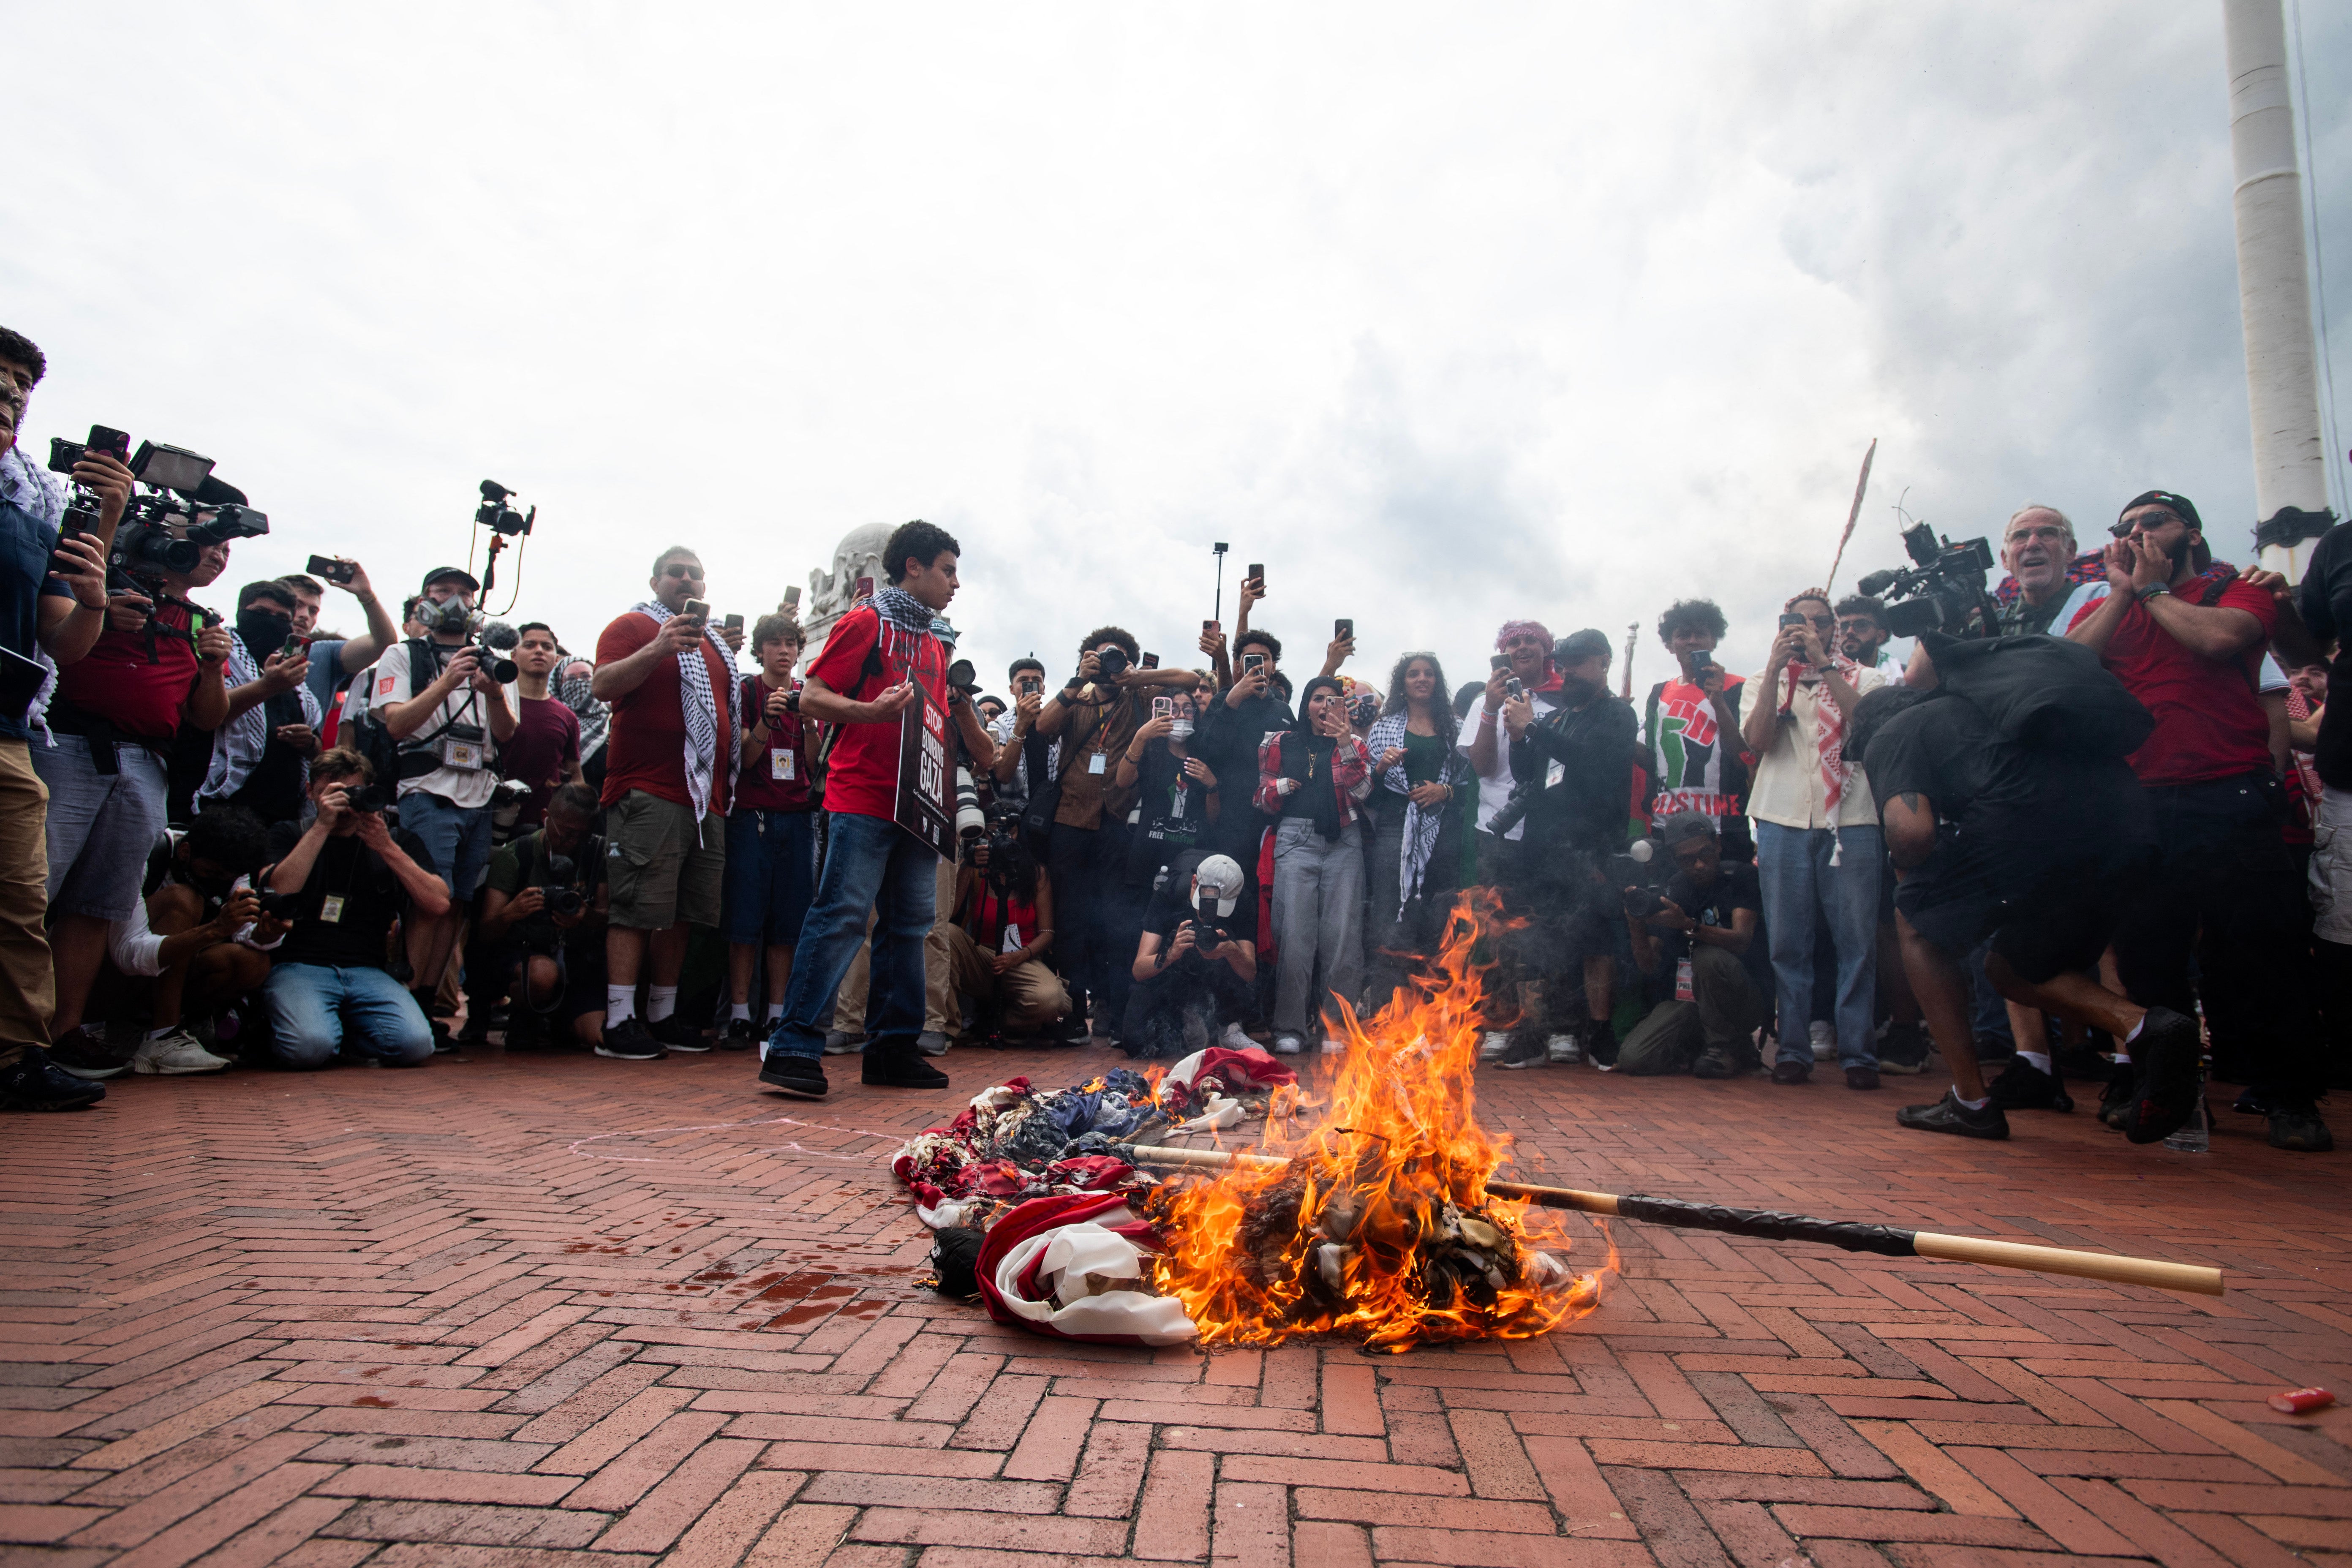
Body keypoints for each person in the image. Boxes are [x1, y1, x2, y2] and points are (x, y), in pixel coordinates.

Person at [2065, 491, 2331, 1151]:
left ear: (2191, 531)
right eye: (2125, 527)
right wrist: (2127, 594)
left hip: (2228, 794)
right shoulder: (2110, 606)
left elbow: (2219, 641)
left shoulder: (2238, 592)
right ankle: (2168, 1095)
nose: (2137, 533)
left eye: (2153, 522)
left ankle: (2288, 1097)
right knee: (2149, 958)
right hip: (2141, 801)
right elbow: (2068, 667)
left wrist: (2153, 593)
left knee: (2259, 954)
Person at [1843, 678, 2202, 1142]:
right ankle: (2147, 1027)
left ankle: (1971, 1103)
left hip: (2032, 823)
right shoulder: (1987, 705)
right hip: (2128, 821)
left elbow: (1910, 833)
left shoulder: (1893, 732)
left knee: (1914, 922)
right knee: (2013, 968)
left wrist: (1908, 876)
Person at [760, 520, 992, 1097]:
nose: (956, 583)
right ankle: (792, 1047)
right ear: (912, 566)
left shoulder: (937, 640)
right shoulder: (866, 622)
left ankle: (892, 1048)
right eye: (947, 570)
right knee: (841, 916)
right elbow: (810, 696)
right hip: (863, 796)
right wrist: (871, 713)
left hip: (920, 803)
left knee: (910, 926)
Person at [37, 518, 235, 1066]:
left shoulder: (200, 621)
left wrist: (215, 666)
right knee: (32, 891)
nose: (219, 556)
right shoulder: (94, 579)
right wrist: (98, 613)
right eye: (209, 544)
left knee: (96, 904)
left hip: (148, 763)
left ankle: (64, 1030)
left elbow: (206, 718)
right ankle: (17, 1030)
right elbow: (54, 646)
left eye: (226, 551)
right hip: (69, 746)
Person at [0, 325, 128, 1110]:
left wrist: (96, 588)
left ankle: (15, 1054)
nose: (12, 391)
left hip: (10, 733)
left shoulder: (30, 512)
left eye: (21, 382)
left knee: (18, 900)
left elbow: (67, 643)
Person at [592, 547, 740, 1059]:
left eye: (695, 574)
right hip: (650, 789)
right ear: (655, 580)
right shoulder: (632, 626)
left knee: (682, 912)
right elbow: (602, 686)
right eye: (675, 573)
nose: (686, 579)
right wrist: (658, 647)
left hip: (706, 799)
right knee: (636, 908)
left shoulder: (715, 644)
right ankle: (619, 1019)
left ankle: (661, 1012)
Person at [1739, 588, 1886, 1089]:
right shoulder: (1765, 681)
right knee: (1788, 943)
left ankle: (1859, 1055)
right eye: (1795, 621)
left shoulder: (1867, 678)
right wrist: (1777, 673)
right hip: (1782, 819)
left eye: (1819, 622)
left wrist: (1825, 667)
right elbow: (1756, 742)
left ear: (1835, 628)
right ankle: (1794, 1050)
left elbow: (1867, 726)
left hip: (1853, 818)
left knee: (1857, 943)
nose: (1807, 629)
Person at [370, 566, 517, 1044]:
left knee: (456, 904)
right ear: (424, 603)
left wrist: (492, 688)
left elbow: (507, 732)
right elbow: (396, 725)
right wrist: (448, 680)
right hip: (429, 787)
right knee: (428, 900)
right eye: (443, 593)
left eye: (464, 594)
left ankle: (427, 1000)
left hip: (479, 792)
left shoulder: (495, 661)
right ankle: (405, 1003)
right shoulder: (402, 655)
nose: (455, 602)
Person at [1494, 629, 1637, 1070]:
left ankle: (1599, 1033)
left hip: (1593, 846)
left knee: (1595, 945)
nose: (1568, 669)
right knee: (1538, 942)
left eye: (1579, 660)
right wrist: (1519, 736)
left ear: (1605, 662)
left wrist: (1533, 726)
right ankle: (1538, 1032)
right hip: (1544, 846)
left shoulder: (1616, 714)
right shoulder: (1556, 720)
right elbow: (1526, 775)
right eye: (1565, 661)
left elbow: (1596, 766)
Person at [259, 749, 449, 1068]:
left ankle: (341, 1031)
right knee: (308, 1049)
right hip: (299, 965)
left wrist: (386, 847)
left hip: (368, 970)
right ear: (310, 792)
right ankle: (316, 1029)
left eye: (351, 792)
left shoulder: (393, 838)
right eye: (331, 793)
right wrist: (321, 827)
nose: (344, 803)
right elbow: (277, 890)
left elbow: (439, 903)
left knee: (415, 1046)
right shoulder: (289, 833)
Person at [1032, 628, 1153, 1045]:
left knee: (1117, 921)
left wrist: (1135, 679)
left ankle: (1114, 1010)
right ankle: (1072, 1011)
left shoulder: (1136, 699)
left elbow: (1188, 684)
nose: (1107, 665)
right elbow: (1044, 725)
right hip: (1070, 820)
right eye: (1100, 658)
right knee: (1071, 920)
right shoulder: (1077, 698)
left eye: (1115, 658)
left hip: (1116, 820)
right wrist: (1074, 680)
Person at [1462, 619, 1570, 1060]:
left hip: (1552, 833)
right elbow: (1483, 766)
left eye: (1531, 642)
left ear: (1547, 651)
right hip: (1498, 830)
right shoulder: (1482, 701)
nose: (1522, 647)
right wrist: (1490, 707)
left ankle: (1557, 1028)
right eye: (1513, 643)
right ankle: (1507, 1023)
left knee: (1553, 933)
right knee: (1502, 935)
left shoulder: (1567, 699)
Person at [1258, 674, 1374, 1054]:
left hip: (1344, 839)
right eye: (1318, 699)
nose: (1326, 706)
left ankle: (1335, 1028)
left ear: (1344, 708)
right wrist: (1282, 788)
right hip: (1296, 838)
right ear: (1306, 705)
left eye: (1334, 700)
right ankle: (1290, 1027)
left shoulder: (1354, 744)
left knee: (1343, 936)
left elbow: (1363, 793)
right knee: (1295, 935)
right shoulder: (1278, 742)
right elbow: (1260, 797)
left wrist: (1344, 741)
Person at [723, 613, 817, 1049]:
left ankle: (776, 1012)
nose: (783, 651)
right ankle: (740, 1013)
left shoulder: (810, 695)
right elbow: (743, 757)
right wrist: (766, 718)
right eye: (774, 643)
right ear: (760, 649)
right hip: (753, 815)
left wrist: (812, 723)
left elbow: (817, 767)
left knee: (787, 921)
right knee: (744, 916)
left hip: (798, 816)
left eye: (790, 644)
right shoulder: (746, 690)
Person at [124, 804, 276, 1074]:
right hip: (119, 967)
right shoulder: (151, 854)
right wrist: (216, 928)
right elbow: (129, 953)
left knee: (251, 962)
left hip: (166, 972)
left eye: (227, 878)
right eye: (211, 874)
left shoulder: (230, 867)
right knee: (184, 899)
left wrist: (266, 934)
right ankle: (162, 1036)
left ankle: (177, 1027)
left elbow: (244, 934)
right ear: (185, 852)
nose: (218, 882)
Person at [1617, 813, 1769, 1078]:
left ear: (1718, 845)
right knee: (1633, 1059)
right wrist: (1636, 925)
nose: (1699, 865)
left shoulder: (1742, 876)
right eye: (1687, 860)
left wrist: (1690, 926)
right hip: (1689, 997)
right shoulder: (1676, 888)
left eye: (1706, 854)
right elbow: (1649, 964)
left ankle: (1726, 1047)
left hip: (1743, 996)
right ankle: (1700, 1048)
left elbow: (1742, 940)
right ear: (1676, 861)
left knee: (1708, 958)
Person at [1363, 653, 1473, 1010]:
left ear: (1438, 682)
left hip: (1444, 831)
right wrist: (1380, 768)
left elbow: (1475, 784)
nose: (1422, 679)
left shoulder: (1457, 728)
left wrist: (1446, 792)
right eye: (1414, 674)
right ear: (1403, 683)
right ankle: (1386, 1010)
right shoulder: (1383, 728)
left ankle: (1430, 1010)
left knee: (1437, 916)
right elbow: (1370, 796)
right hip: (1395, 828)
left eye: (1429, 674)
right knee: (1388, 915)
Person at [477, 783, 608, 1052]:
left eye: (581, 836)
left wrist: (585, 915)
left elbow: (608, 919)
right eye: (566, 834)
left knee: (599, 1038)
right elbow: (485, 933)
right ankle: (524, 1015)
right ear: (545, 816)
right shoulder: (517, 854)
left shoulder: (597, 853)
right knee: (542, 976)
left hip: (578, 962)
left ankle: (560, 1020)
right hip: (525, 954)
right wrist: (512, 913)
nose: (571, 843)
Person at [197, 579, 323, 823]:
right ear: (241, 613)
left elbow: (317, 747)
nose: (271, 621)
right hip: (223, 806)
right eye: (262, 613)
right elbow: (207, 716)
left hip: (283, 815)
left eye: (282, 617)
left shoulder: (292, 674)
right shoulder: (216, 655)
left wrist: (308, 742)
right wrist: (267, 687)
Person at [1641, 599, 1751, 862]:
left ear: (1714, 641)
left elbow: (1746, 758)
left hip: (1726, 824)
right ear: (1670, 645)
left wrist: (1719, 703)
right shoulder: (1659, 693)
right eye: (1682, 635)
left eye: (1700, 633)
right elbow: (1651, 759)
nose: (1692, 641)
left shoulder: (1740, 688)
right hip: (1668, 825)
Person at [949, 807, 1070, 1042]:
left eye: (1010, 834)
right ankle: (947, 1028)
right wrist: (968, 865)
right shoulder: (976, 869)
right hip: (982, 957)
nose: (1003, 841)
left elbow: (1047, 934)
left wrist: (1018, 957)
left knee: (1051, 1000)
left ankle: (998, 1023)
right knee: (946, 933)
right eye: (995, 835)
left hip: (1021, 959)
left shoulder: (1036, 873)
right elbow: (950, 910)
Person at [1126, 853, 1258, 1061]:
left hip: (1219, 983)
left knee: (1232, 942)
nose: (1212, 914)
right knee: (1135, 1042)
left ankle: (1229, 1027)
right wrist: (1170, 954)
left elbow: (1250, 973)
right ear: (1194, 882)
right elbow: (1139, 970)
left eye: (1221, 908)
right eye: (1207, 904)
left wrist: (1232, 952)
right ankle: (1186, 1021)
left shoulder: (1243, 900)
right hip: (1174, 981)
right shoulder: (1169, 894)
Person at [278, 562, 400, 721]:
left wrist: (366, 596)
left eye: (313, 611)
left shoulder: (323, 654)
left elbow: (384, 644)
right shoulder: (239, 645)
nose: (305, 616)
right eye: (297, 605)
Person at [497, 622, 584, 835]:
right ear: (514, 655)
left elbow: (575, 774)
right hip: (491, 818)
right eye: (530, 645)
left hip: (541, 828)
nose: (539, 651)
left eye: (546, 646)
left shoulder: (567, 717)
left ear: (556, 659)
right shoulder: (496, 702)